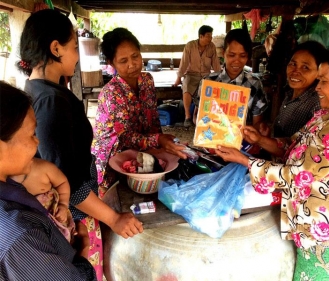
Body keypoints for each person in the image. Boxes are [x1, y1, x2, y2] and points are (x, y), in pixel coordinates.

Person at [215, 38, 329, 280]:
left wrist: (245, 161)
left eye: (324, 80)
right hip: (322, 226)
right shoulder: (328, 115)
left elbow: (300, 176)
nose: (317, 87)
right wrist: (259, 140)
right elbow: (294, 147)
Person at [17, 10, 143, 281]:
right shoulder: (52, 102)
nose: (76, 55)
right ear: (55, 48)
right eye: (74, 47)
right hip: (73, 220)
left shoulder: (35, 90)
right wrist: (113, 219)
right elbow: (69, 182)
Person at [0, 81, 97, 280]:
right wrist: (83, 250)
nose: (38, 141)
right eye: (31, 134)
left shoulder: (12, 191)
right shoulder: (21, 236)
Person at [91, 27, 187, 198]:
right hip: (113, 158)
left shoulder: (147, 80)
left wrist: (163, 145)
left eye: (135, 56)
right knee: (118, 202)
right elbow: (125, 136)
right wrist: (158, 140)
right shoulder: (111, 92)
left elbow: (153, 120)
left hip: (142, 154)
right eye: (123, 60)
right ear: (112, 64)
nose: (132, 64)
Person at [244, 41, 327, 159]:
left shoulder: (316, 105)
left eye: (305, 67)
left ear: (319, 73)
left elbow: (298, 153)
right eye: (293, 64)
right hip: (271, 162)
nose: (295, 71)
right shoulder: (289, 93)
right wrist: (268, 134)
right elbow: (282, 137)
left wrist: (261, 140)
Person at [195, 28, 269, 130]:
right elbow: (196, 116)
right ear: (223, 53)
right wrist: (205, 124)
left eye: (242, 56)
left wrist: (239, 131)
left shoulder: (254, 84)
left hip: (241, 143)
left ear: (248, 56)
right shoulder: (208, 82)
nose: (237, 61)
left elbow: (257, 124)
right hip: (211, 140)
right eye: (231, 55)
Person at [10, 158, 75, 242]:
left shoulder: (43, 167)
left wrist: (63, 204)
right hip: (39, 230)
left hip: (58, 215)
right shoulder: (4, 184)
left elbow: (62, 183)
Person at [173, 25, 222, 127]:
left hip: (205, 75)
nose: (210, 38)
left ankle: (199, 114)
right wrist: (178, 78)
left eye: (211, 36)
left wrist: (221, 76)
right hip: (191, 74)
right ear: (201, 36)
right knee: (186, 86)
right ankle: (187, 117)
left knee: (209, 89)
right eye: (208, 36)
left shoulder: (211, 46)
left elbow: (216, 63)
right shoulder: (190, 46)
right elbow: (184, 63)